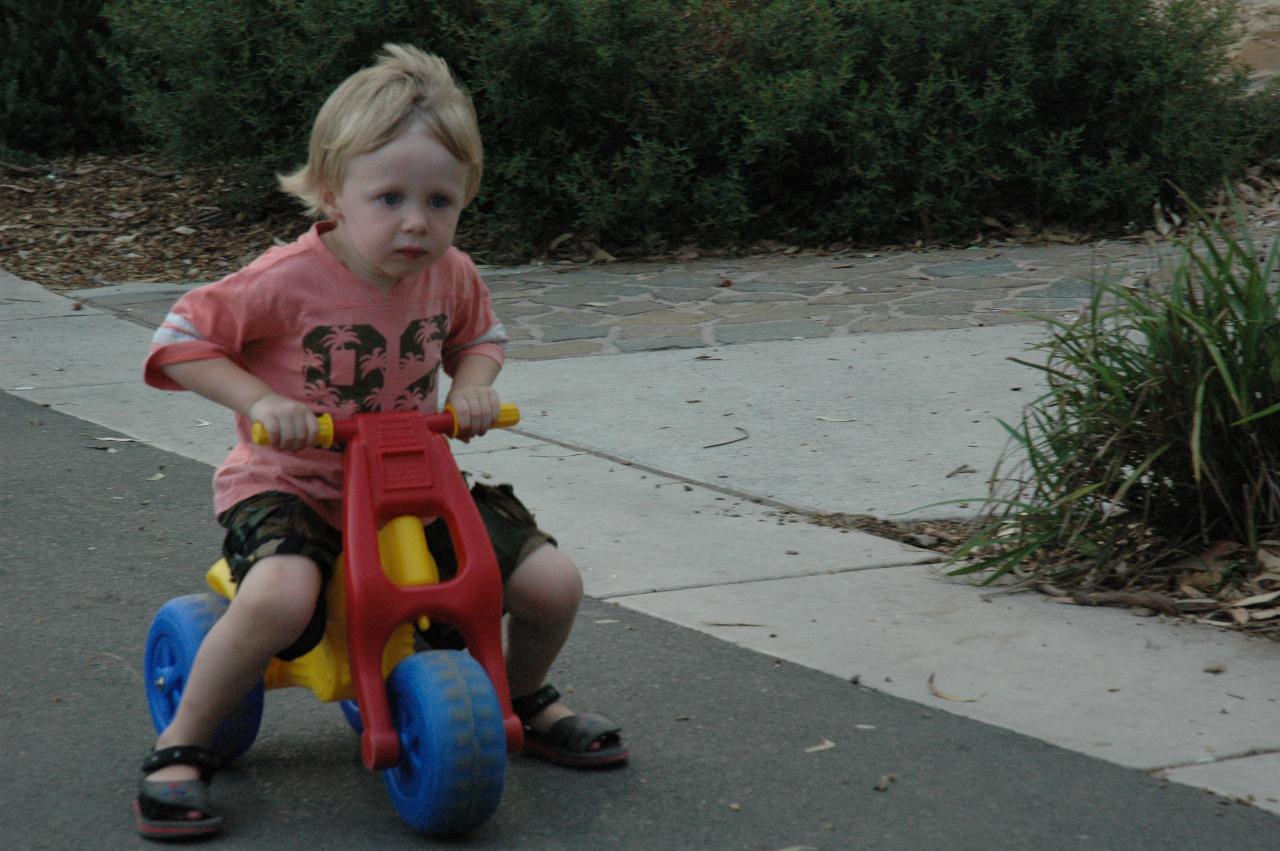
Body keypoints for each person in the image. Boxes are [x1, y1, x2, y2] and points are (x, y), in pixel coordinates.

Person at [134, 43, 626, 841]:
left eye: (441, 201)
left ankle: (524, 698)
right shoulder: (282, 279)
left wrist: (472, 384)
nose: (416, 222)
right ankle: (180, 744)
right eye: (389, 196)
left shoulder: (451, 272)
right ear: (332, 192)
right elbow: (181, 339)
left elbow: (481, 335)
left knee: (551, 582)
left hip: (409, 484)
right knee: (279, 596)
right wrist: (261, 398)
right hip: (292, 483)